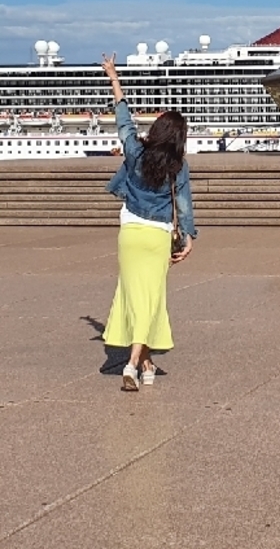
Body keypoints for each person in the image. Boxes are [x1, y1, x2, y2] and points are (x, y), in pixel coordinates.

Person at [101, 53, 196, 391]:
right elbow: (183, 205)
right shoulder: (178, 165)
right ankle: (130, 365)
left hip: (130, 232)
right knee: (150, 299)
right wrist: (189, 237)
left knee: (134, 296)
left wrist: (113, 77)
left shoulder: (135, 152)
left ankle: (147, 364)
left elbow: (123, 120)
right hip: (157, 237)